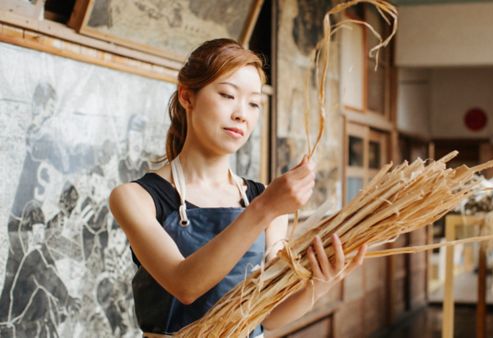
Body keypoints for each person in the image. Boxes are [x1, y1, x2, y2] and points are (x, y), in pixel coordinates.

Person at [109, 38, 367, 337]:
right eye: (227, 95)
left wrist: (323, 283)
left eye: (254, 103)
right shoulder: (136, 197)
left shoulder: (262, 197)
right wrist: (266, 208)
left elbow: (268, 317)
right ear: (186, 97)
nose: (242, 114)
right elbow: (185, 285)